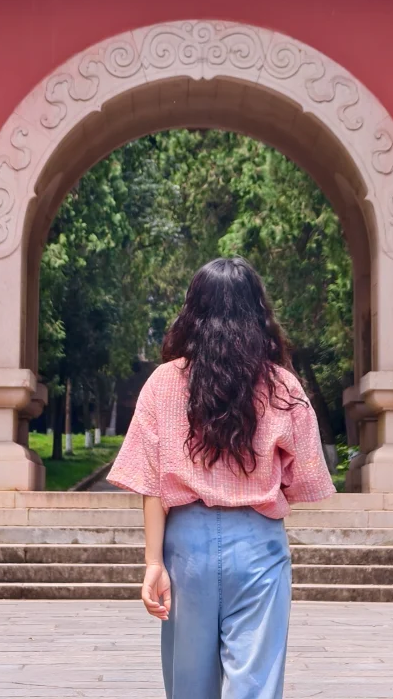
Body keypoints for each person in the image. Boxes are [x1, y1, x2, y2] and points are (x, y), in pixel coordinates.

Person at [108, 255, 336, 699]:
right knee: (256, 685)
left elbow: (151, 483)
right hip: (258, 544)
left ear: (193, 311)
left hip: (185, 546)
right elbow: (304, 478)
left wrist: (154, 563)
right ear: (258, 312)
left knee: (188, 687)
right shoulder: (283, 387)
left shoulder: (163, 382)